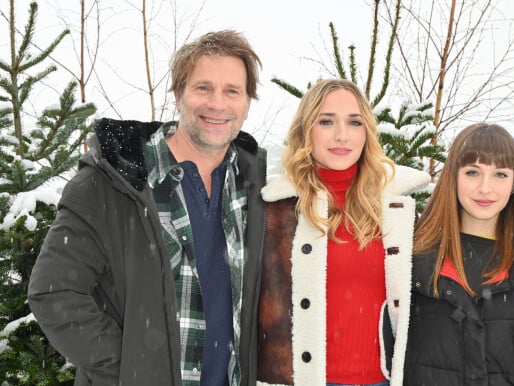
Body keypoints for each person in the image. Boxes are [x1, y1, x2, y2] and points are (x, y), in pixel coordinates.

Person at [27, 30, 267, 386]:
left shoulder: (258, 187)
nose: (217, 104)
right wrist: (132, 370)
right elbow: (54, 292)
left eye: (232, 91)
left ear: (247, 103)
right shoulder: (108, 185)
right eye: (203, 88)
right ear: (178, 95)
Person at [256, 78, 430, 386]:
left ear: (367, 133)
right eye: (326, 121)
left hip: (382, 381)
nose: (341, 135)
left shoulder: (395, 209)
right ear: (306, 130)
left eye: (354, 122)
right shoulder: (277, 210)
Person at [398, 123, 514, 385]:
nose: (485, 188)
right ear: (453, 176)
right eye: (473, 172)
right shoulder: (412, 259)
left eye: (500, 175)